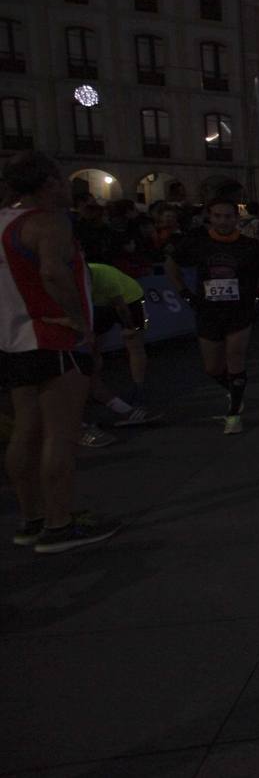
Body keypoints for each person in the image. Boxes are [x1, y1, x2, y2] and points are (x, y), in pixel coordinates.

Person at [1, 151, 121, 552]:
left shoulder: (4, 222)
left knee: (25, 430)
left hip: (13, 341)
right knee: (61, 434)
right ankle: (59, 524)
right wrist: (80, 325)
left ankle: (32, 518)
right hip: (52, 338)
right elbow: (52, 272)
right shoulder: (47, 223)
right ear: (49, 183)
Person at [164, 198, 259, 435]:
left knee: (235, 359)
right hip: (208, 311)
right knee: (212, 367)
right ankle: (233, 391)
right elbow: (171, 264)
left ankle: (234, 415)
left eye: (228, 216)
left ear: (236, 218)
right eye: (218, 216)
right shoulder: (197, 243)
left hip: (240, 310)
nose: (223, 221)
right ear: (210, 217)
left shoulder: (250, 246)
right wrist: (184, 293)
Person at [87, 261, 161, 421]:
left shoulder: (105, 277)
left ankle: (139, 387)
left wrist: (129, 327)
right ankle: (94, 387)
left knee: (134, 343)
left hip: (131, 299)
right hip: (102, 305)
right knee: (93, 347)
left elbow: (121, 307)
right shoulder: (74, 277)